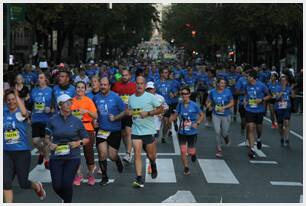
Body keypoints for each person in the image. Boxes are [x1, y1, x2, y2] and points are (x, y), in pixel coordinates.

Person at [45, 94, 89, 203]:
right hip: (56, 156)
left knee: (66, 184)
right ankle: (66, 199)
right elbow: (46, 138)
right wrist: (50, 144)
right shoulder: (52, 120)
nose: (69, 104)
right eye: (66, 102)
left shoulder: (77, 121)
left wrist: (78, 143)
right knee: (56, 186)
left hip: (72, 156)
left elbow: (86, 139)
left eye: (70, 102)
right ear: (60, 105)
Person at [4, 89, 46, 203]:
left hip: (21, 152)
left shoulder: (20, 112)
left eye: (13, 99)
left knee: (23, 183)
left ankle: (37, 187)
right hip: (6, 153)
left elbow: (24, 113)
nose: (11, 102)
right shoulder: (3, 112)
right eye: (8, 100)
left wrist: (17, 96)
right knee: (5, 182)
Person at [128, 76, 164, 188]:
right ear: (135, 84)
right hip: (136, 130)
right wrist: (129, 112)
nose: (139, 85)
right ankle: (139, 178)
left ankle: (153, 164)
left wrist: (148, 113)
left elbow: (161, 109)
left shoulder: (150, 97)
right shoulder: (131, 98)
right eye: (137, 83)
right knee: (137, 153)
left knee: (151, 155)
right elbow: (129, 110)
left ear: (144, 85)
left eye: (141, 83)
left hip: (148, 130)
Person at [94, 77, 125, 186]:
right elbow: (94, 112)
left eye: (105, 85)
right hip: (102, 130)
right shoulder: (96, 98)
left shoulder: (116, 97)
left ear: (109, 86)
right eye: (101, 84)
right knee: (102, 153)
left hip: (115, 130)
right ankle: (104, 176)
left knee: (112, 156)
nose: (102, 87)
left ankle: (117, 159)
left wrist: (116, 117)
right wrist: (94, 120)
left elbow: (125, 111)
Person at [71, 81, 98, 186]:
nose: (80, 89)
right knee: (74, 152)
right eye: (78, 87)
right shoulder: (71, 101)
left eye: (82, 87)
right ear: (75, 89)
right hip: (74, 129)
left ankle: (91, 174)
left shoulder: (89, 101)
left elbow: (95, 116)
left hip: (87, 128)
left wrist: (86, 111)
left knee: (89, 153)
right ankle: (78, 175)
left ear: (85, 89)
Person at [173, 86, 204, 175]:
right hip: (182, 131)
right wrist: (169, 117)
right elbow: (175, 115)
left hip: (192, 132)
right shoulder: (179, 104)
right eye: (182, 94)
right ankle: (186, 168)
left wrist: (197, 123)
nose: (184, 96)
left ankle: (193, 154)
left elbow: (202, 115)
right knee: (183, 151)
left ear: (189, 94)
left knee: (190, 151)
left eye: (186, 94)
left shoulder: (194, 105)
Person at [244, 69, 271, 159]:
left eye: (247, 76)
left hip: (259, 110)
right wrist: (245, 101)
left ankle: (259, 139)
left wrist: (262, 99)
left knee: (259, 128)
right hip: (249, 109)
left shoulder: (261, 85)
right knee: (251, 127)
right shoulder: (246, 86)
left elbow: (269, 95)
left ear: (252, 77)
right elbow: (246, 95)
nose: (246, 78)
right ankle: (252, 149)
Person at [112, 69, 137, 164]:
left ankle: (128, 153)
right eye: (123, 75)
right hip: (119, 112)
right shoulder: (116, 85)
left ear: (130, 76)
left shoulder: (133, 86)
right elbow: (113, 96)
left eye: (126, 75)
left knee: (128, 131)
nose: (124, 77)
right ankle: (129, 150)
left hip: (129, 112)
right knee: (123, 134)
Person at [30, 72, 53, 168]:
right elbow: (30, 105)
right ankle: (42, 152)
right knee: (35, 141)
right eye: (38, 78)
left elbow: (54, 105)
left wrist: (50, 109)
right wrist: (29, 116)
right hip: (36, 118)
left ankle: (47, 160)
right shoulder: (34, 91)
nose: (39, 79)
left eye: (41, 77)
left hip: (46, 119)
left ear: (45, 80)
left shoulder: (50, 91)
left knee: (46, 141)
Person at [145, 81, 169, 173]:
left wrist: (162, 114)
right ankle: (151, 162)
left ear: (154, 89)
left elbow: (166, 107)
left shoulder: (160, 98)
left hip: (156, 126)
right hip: (146, 126)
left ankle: (151, 164)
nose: (149, 90)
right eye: (148, 89)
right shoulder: (143, 98)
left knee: (153, 146)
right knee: (148, 147)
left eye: (151, 89)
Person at [207, 78, 234, 158]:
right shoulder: (212, 92)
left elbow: (232, 103)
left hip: (226, 115)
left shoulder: (228, 91)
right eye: (221, 83)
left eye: (224, 83)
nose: (223, 84)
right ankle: (219, 149)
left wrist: (224, 107)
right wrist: (209, 105)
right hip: (216, 115)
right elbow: (208, 101)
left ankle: (226, 137)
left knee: (224, 132)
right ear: (217, 84)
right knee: (217, 131)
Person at [274, 75, 295, 147]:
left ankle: (287, 139)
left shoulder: (289, 88)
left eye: (285, 81)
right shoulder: (277, 88)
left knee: (286, 122)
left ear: (287, 82)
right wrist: (282, 90)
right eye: (282, 81)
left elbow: (293, 97)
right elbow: (277, 98)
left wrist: (292, 90)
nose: (283, 82)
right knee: (280, 125)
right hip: (279, 108)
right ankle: (282, 137)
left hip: (287, 107)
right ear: (280, 82)